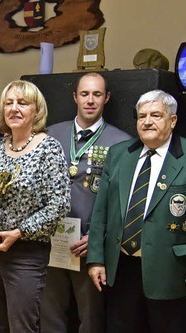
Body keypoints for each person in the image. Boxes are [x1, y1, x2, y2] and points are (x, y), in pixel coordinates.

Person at [0, 80, 70, 333]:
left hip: (25, 253)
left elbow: (59, 204)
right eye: (9, 103)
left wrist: (19, 231)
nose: (14, 109)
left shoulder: (49, 148)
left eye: (22, 103)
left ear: (36, 110)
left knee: (22, 327)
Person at [87, 90, 186, 333]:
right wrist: (96, 258)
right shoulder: (119, 154)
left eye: (155, 115)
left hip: (170, 269)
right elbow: (101, 212)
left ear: (172, 121)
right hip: (121, 267)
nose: (147, 122)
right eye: (142, 116)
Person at [41, 73, 131, 333]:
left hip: (89, 245)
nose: (90, 100)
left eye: (97, 94)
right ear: (75, 97)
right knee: (49, 315)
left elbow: (121, 201)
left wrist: (98, 237)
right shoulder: (50, 134)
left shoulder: (122, 142)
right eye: (84, 94)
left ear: (107, 98)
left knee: (91, 319)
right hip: (51, 241)